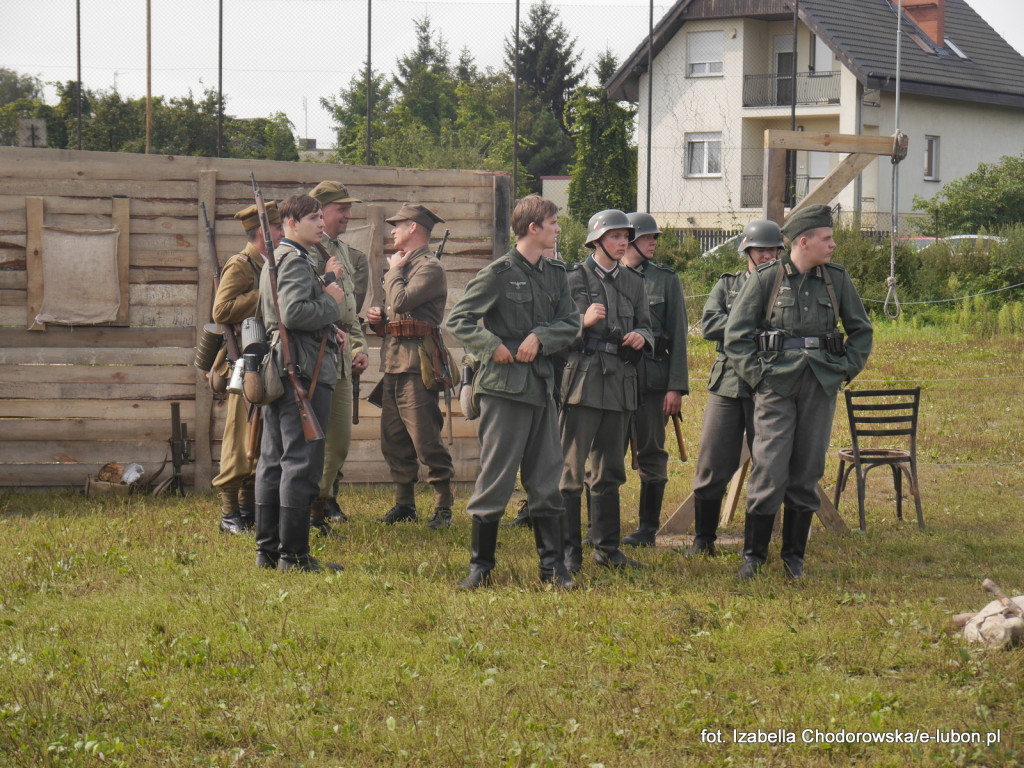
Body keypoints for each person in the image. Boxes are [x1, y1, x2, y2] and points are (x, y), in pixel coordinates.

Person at [724, 205, 873, 579]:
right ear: (803, 242)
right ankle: (754, 556)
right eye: (827, 239)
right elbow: (736, 336)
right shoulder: (766, 279)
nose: (833, 245)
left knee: (807, 468)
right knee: (769, 467)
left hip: (819, 385)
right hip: (776, 386)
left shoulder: (837, 280)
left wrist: (843, 371)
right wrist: (758, 377)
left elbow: (861, 331)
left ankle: (794, 558)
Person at [446, 195, 581, 588]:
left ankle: (552, 569)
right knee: (497, 477)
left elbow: (570, 322)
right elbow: (459, 320)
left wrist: (540, 336)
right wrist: (492, 346)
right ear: (533, 228)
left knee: (546, 476)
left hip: (541, 388)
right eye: (553, 223)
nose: (558, 229)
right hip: (504, 390)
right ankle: (481, 567)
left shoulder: (556, 273)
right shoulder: (498, 273)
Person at [255, 194, 346, 573]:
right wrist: (331, 302)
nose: (321, 224)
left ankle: (269, 552)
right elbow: (292, 313)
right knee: (300, 463)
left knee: (274, 462)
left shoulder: (286, 260)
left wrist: (330, 325)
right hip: (302, 375)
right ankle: (293, 556)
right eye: (312, 218)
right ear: (290, 223)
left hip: (290, 368)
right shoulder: (293, 261)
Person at [559, 209, 654, 572]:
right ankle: (569, 554)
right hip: (581, 382)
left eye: (625, 237)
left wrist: (640, 337)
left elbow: (647, 327)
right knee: (570, 470)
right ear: (596, 240)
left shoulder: (633, 282)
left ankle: (608, 550)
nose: (622, 243)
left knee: (609, 469)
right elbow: (554, 331)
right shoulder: (572, 279)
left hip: (619, 383)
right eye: (615, 236)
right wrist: (581, 325)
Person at [685, 219, 783, 557]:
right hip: (727, 382)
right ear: (747, 251)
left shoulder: (785, 290)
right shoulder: (727, 286)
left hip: (768, 382)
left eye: (772, 249)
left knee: (768, 462)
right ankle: (704, 539)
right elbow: (709, 324)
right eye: (760, 249)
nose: (767, 254)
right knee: (712, 460)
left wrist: (742, 328)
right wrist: (750, 326)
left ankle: (757, 545)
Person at [365, 203, 455, 528]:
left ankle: (443, 507)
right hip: (393, 362)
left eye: (398, 225)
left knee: (426, 438)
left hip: (418, 366)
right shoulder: (403, 266)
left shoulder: (429, 268)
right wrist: (378, 318)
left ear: (414, 228)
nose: (393, 231)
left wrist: (392, 273)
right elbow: (396, 312)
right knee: (394, 438)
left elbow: (402, 300)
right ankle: (405, 505)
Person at [211, 201, 282, 535]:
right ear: (262, 234)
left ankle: (247, 508)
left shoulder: (269, 264)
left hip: (263, 361)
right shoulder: (241, 265)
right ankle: (228, 513)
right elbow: (221, 310)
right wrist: (265, 291)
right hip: (242, 362)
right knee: (239, 439)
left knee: (258, 438)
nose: (284, 234)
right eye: (279, 229)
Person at [619, 212, 689, 547]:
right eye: (648, 237)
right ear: (629, 238)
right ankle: (598, 527)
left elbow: (678, 335)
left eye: (655, 237)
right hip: (612, 379)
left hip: (653, 381)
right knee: (604, 453)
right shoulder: (605, 275)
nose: (653, 242)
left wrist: (675, 386)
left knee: (651, 453)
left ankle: (647, 529)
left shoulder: (665, 280)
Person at [306, 181, 371, 535]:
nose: (348, 215)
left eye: (349, 208)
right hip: (317, 356)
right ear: (321, 211)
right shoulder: (309, 252)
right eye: (340, 209)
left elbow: (350, 311)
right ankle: (306, 512)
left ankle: (318, 506)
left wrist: (360, 348)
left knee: (339, 442)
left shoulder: (342, 251)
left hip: (342, 355)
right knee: (316, 441)